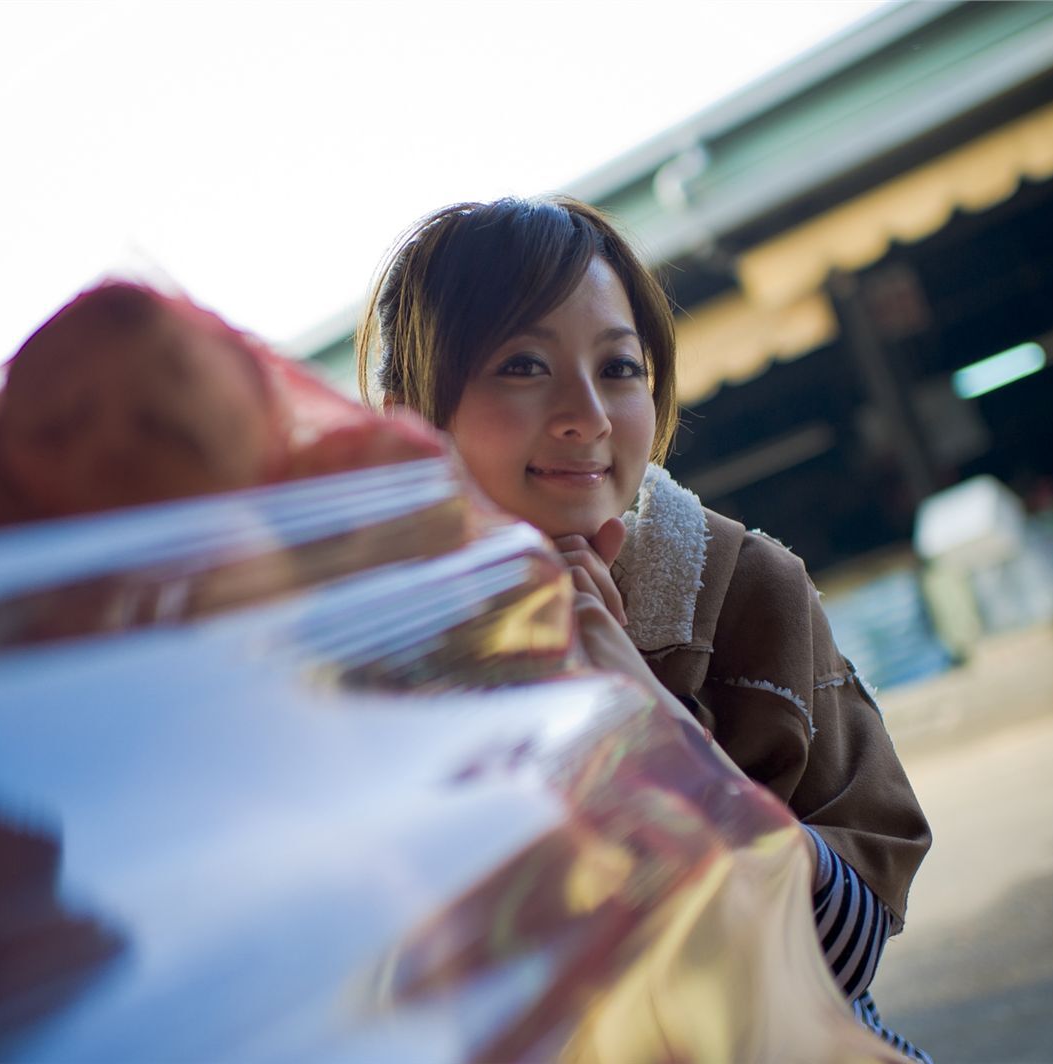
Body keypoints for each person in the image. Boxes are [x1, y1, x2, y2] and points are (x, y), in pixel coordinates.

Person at [356, 195, 933, 1062]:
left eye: (619, 367)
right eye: (522, 364)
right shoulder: (363, 669)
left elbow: (841, 954)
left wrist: (653, 733)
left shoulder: (743, 591)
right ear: (410, 417)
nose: (585, 413)